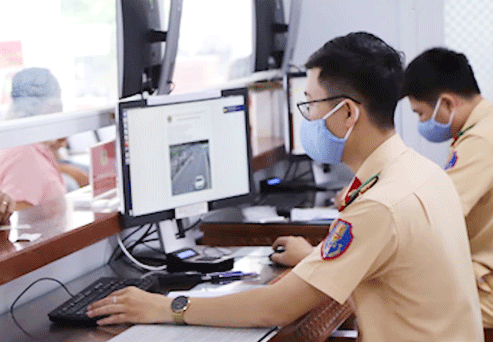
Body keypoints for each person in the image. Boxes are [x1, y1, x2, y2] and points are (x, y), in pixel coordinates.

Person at [86, 33, 483, 341]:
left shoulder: (380, 205)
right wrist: (311, 258)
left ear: (347, 113)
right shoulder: (419, 172)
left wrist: (167, 306)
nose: (306, 117)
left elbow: (275, 309)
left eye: (310, 104)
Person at [401, 47, 493, 327]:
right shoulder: (480, 131)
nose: (421, 123)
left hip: (487, 293)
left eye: (420, 113)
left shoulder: (481, 141)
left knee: (390, 302)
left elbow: (437, 214)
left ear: (447, 103)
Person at [0, 67, 88, 208]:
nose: (60, 112)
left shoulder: (30, 146)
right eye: (56, 106)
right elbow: (20, 216)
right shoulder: (21, 154)